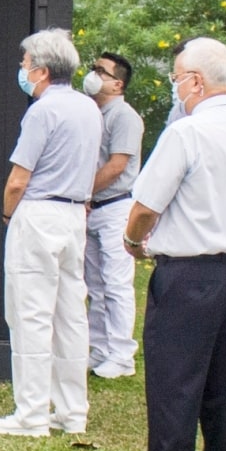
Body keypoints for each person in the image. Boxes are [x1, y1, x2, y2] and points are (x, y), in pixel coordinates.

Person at [113, 38, 226, 451]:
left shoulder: (187, 133)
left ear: (196, 82)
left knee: (175, 386)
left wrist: (135, 241)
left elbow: (145, 207)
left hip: (189, 272)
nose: (175, 86)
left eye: (177, 77)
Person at [0, 28, 101, 437]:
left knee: (30, 314)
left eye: (24, 64)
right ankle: (73, 411)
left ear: (40, 70)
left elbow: (19, 179)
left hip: (39, 212)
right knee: (71, 315)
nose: (22, 70)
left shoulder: (42, 111)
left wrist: (7, 215)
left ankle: (32, 413)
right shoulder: (89, 108)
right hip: (75, 214)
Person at [82, 52, 143, 380]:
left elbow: (118, 165)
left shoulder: (124, 116)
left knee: (117, 282)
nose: (93, 76)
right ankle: (101, 348)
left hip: (116, 205)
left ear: (118, 83)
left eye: (100, 72)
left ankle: (122, 354)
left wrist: (85, 192)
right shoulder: (94, 113)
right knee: (95, 281)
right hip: (94, 207)